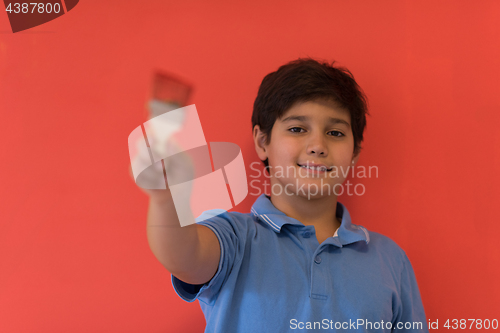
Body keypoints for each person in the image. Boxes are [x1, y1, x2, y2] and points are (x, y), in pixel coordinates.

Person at [142, 58, 429, 332]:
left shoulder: (390, 260)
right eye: (297, 129)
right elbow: (183, 254)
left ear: (354, 154)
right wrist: (165, 199)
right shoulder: (233, 238)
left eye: (336, 133)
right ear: (262, 142)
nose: (317, 145)